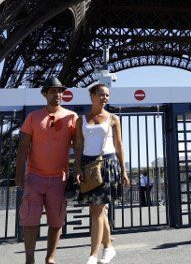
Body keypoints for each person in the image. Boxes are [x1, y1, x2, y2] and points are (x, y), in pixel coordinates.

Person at [15, 77, 78, 264]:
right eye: (53, 91)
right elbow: (23, 146)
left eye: (60, 91)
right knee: (29, 219)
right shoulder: (33, 117)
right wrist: (19, 174)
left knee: (56, 220)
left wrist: (80, 170)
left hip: (59, 177)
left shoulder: (71, 117)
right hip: (34, 176)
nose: (57, 94)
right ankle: (29, 259)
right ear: (45, 94)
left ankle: (50, 258)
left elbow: (79, 146)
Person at [74, 83, 130, 264]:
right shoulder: (80, 120)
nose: (105, 98)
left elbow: (119, 145)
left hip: (107, 164)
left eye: (107, 95)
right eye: (101, 95)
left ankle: (93, 255)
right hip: (88, 165)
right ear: (92, 96)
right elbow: (78, 146)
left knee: (97, 209)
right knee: (96, 208)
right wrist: (78, 168)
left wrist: (124, 170)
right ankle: (109, 247)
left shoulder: (113, 118)